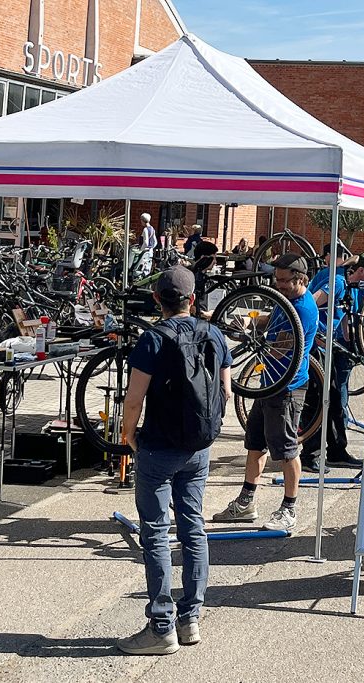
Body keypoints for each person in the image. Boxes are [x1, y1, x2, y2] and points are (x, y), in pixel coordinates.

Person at [118, 267, 233, 655]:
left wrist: (128, 434)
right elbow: (226, 392)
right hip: (198, 447)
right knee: (193, 529)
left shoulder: (153, 339)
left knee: (155, 534)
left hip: (159, 447)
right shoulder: (214, 334)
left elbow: (134, 399)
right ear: (193, 298)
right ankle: (190, 618)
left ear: (157, 300)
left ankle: (161, 627)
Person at [213, 254, 319, 532]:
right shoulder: (287, 301)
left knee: (286, 451)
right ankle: (246, 502)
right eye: (276, 279)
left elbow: (279, 350)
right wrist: (247, 323)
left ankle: (289, 509)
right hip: (268, 384)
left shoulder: (303, 309)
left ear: (301, 279)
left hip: (287, 388)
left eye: (284, 281)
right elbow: (270, 320)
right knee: (255, 444)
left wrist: (247, 340)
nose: (278, 285)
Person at [301, 253, 364, 473]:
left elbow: (346, 326)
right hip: (316, 348)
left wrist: (359, 345)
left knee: (336, 400)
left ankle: (337, 452)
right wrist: (316, 334)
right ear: (360, 271)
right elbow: (310, 304)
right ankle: (310, 456)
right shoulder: (338, 283)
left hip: (330, 348)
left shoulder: (350, 289)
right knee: (318, 401)